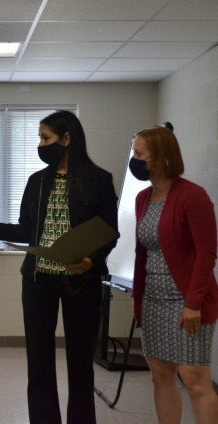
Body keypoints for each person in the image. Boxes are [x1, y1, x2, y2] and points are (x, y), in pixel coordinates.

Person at [0, 110, 118, 424]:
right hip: (38, 281)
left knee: (80, 365)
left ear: (66, 139)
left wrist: (93, 259)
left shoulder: (99, 180)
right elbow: (25, 231)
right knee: (39, 364)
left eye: (45, 137)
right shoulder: (37, 181)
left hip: (82, 282)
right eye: (39, 137)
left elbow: (110, 232)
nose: (40, 144)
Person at [130, 125, 218, 424]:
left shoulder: (193, 196)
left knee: (194, 380)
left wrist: (193, 303)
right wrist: (139, 301)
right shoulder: (143, 198)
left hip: (186, 302)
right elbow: (143, 252)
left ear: (161, 158)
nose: (134, 159)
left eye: (139, 154)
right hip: (153, 301)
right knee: (161, 377)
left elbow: (207, 253)